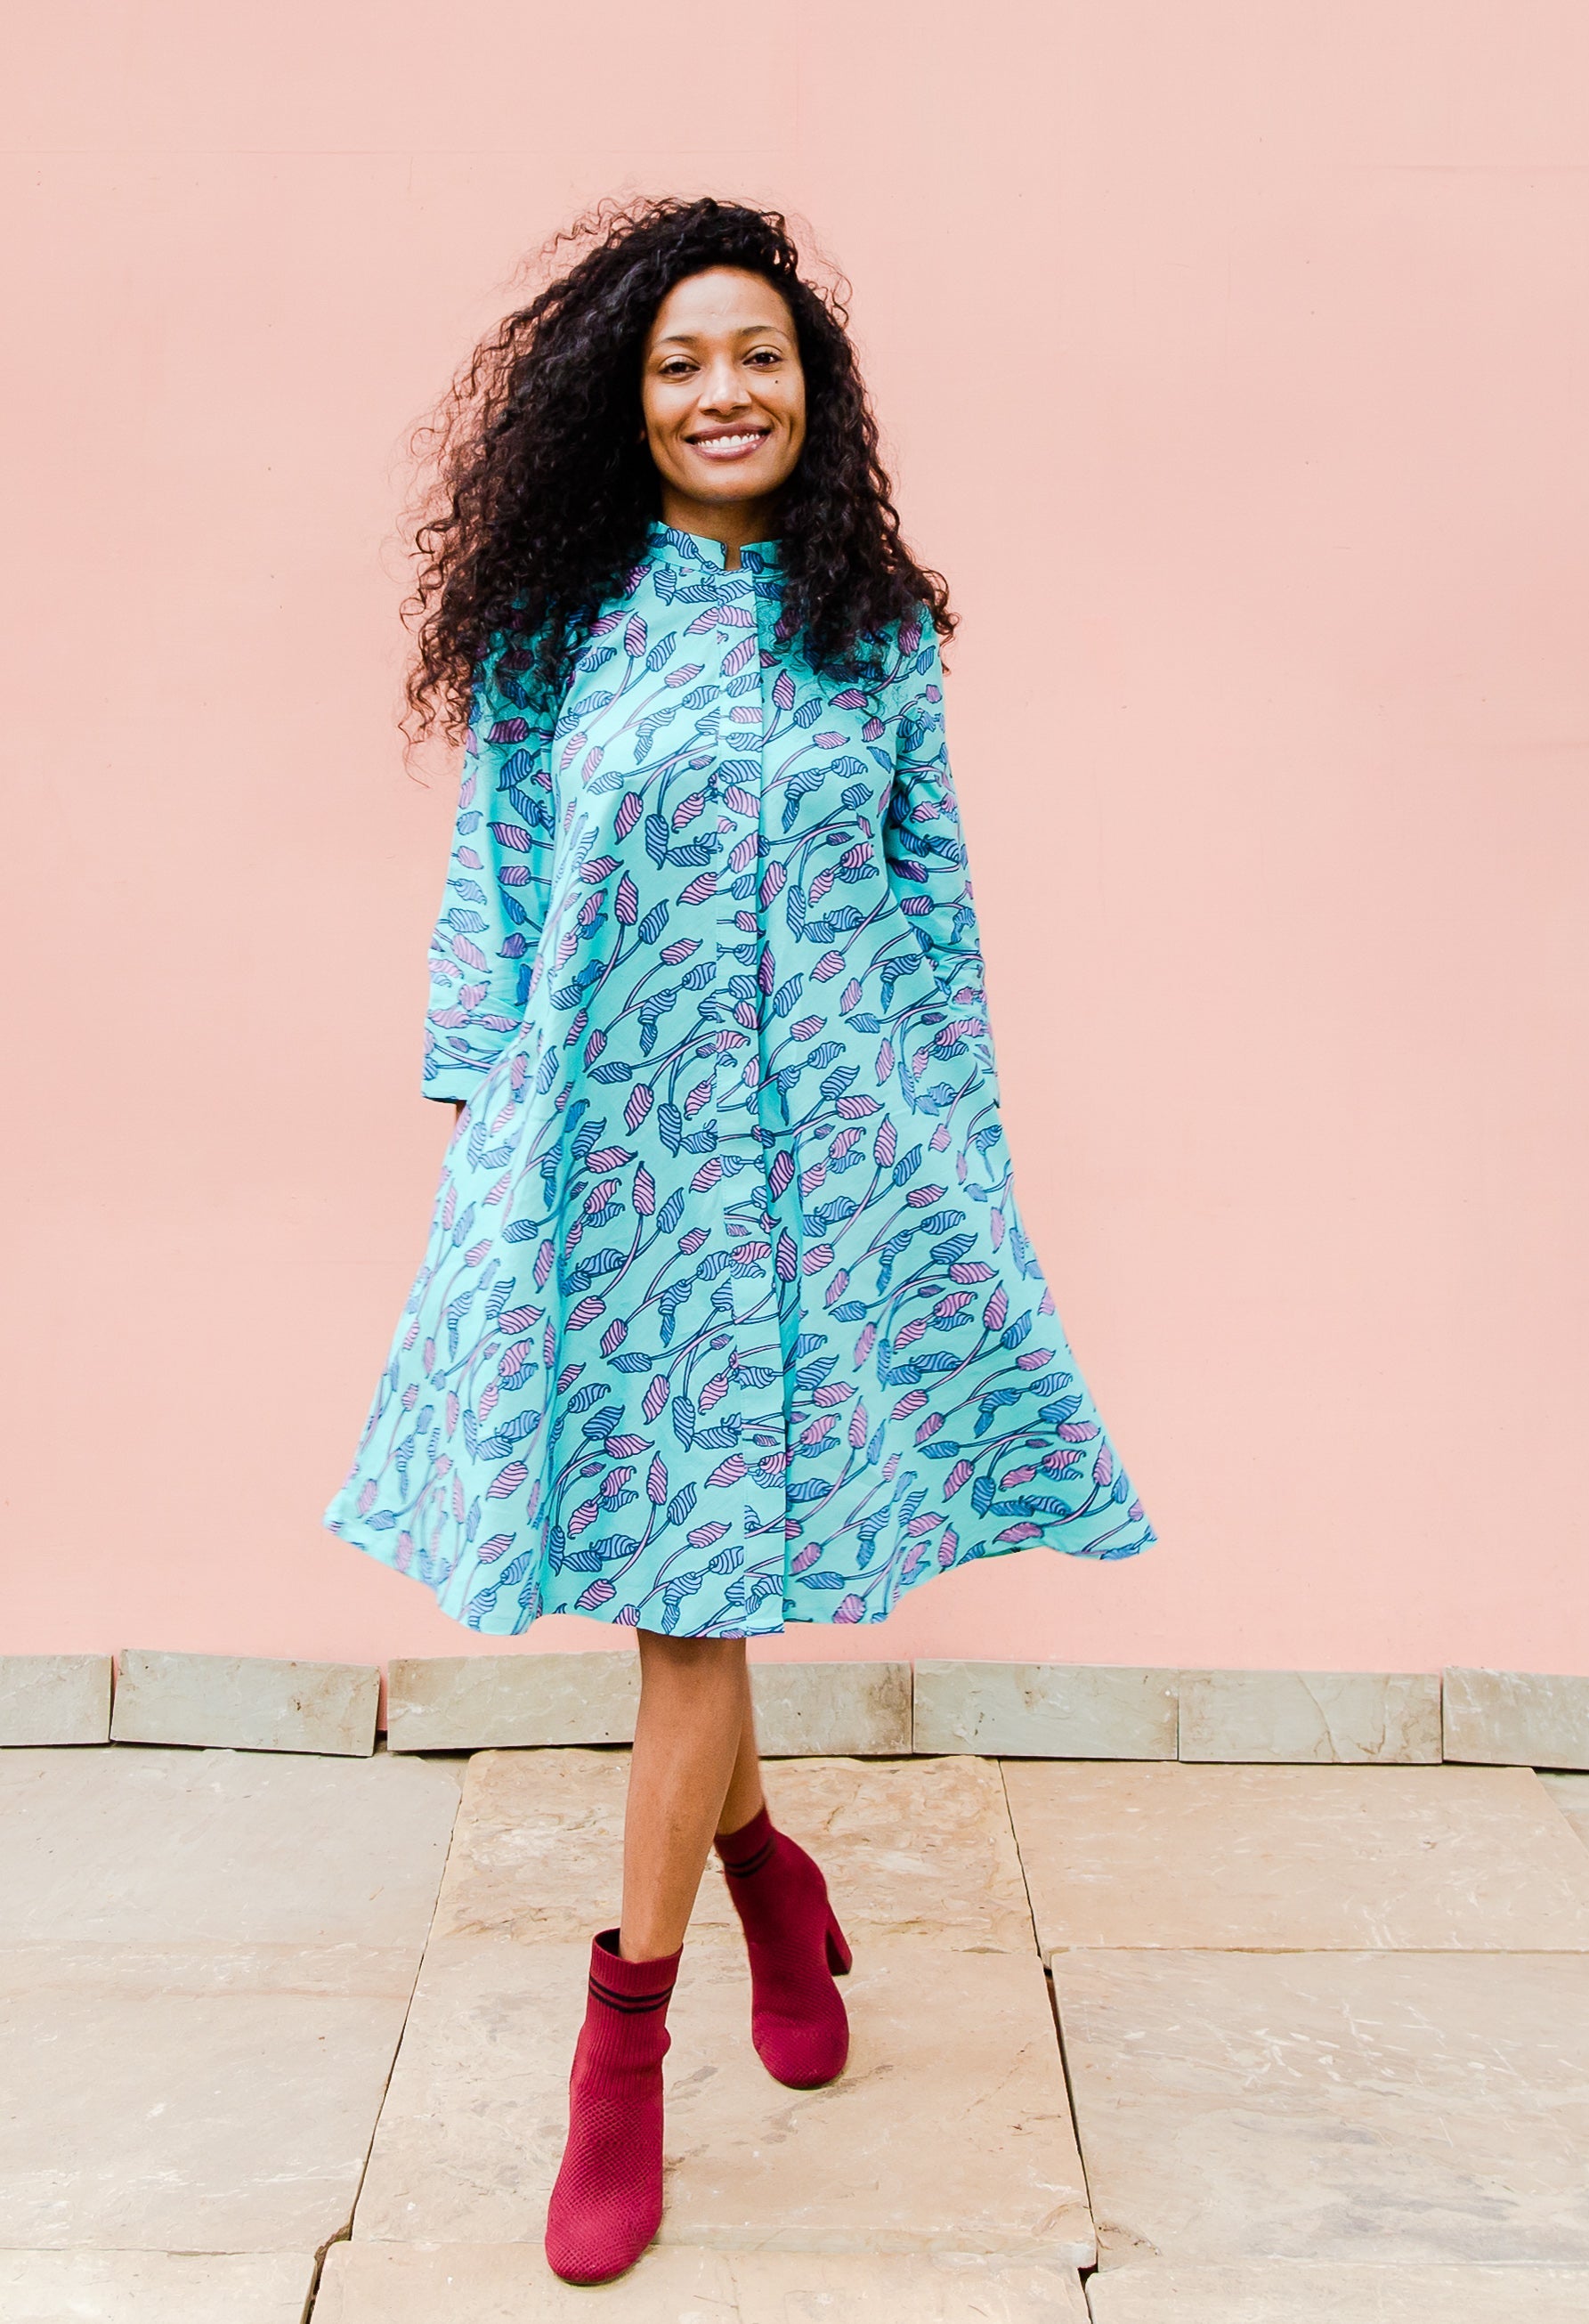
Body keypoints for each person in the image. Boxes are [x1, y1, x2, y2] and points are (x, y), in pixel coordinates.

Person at [324, 196, 1155, 2285]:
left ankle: (626, 2039)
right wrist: (485, 1149)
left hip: (827, 1179)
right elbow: (494, 905)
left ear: (815, 390)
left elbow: (932, 914)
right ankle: (762, 1886)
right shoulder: (554, 631)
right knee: (686, 1602)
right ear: (631, 396)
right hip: (612, 1177)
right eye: (685, 361)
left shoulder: (866, 632)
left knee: (694, 1610)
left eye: (760, 359)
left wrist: (950, 1165)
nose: (723, 391)